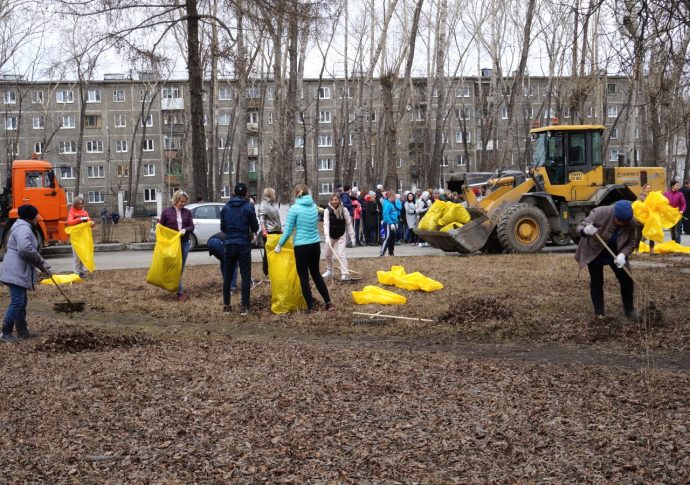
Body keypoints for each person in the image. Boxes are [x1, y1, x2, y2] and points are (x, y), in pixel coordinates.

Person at [574, 200, 639, 320]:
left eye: (625, 222)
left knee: (627, 279)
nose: (621, 224)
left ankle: (629, 310)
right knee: (597, 281)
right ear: (614, 214)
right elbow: (580, 227)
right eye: (619, 221)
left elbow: (632, 242)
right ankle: (599, 313)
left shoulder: (632, 222)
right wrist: (585, 230)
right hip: (594, 249)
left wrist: (623, 255)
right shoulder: (600, 212)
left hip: (615, 251)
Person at [274, 184, 334, 312]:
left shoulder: (294, 208)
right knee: (316, 274)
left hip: (301, 246)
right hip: (315, 245)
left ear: (296, 194)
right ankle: (328, 302)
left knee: (304, 277)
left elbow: (288, 230)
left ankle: (310, 306)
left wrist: (279, 245)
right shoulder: (313, 206)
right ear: (308, 193)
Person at [0, 205, 51, 342]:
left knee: (21, 302)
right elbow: (25, 249)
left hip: (17, 270)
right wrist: (42, 264)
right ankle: (5, 332)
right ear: (32, 217)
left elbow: (26, 251)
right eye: (36, 215)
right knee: (17, 302)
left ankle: (22, 331)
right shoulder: (23, 228)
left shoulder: (22, 226)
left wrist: (41, 266)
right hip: (15, 270)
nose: (37, 218)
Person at [220, 182, 259, 316]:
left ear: (234, 193)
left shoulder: (225, 208)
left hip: (229, 244)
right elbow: (255, 227)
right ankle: (244, 307)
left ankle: (226, 306)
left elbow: (223, 228)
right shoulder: (249, 207)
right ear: (246, 193)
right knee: (245, 276)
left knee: (228, 276)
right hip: (243, 245)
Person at [158, 190, 194, 301]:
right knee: (173, 266)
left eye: (184, 201)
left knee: (180, 267)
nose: (183, 203)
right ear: (175, 200)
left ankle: (178, 290)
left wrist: (185, 230)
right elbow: (161, 227)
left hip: (183, 243)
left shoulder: (187, 212)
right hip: (171, 244)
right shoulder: (166, 212)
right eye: (181, 201)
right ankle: (176, 289)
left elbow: (191, 226)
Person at [322, 193, 356, 281]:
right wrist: (326, 237)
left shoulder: (344, 210)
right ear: (330, 201)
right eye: (332, 200)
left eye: (336, 200)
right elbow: (326, 224)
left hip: (341, 234)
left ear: (339, 200)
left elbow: (348, 223)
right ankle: (329, 270)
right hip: (331, 235)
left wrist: (352, 236)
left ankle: (344, 273)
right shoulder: (327, 211)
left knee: (341, 254)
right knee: (327, 255)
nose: (334, 201)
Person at [66, 196, 95, 278]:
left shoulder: (84, 212)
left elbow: (89, 222)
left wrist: (92, 223)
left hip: (84, 237)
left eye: (82, 204)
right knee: (76, 256)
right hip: (76, 238)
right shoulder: (72, 212)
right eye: (79, 204)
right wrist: (80, 219)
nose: (81, 205)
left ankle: (81, 272)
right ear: (75, 204)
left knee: (83, 254)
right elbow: (70, 222)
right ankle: (76, 273)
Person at [258, 187, 282, 277]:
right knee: (268, 252)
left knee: (276, 252)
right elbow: (261, 219)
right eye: (274, 194)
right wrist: (264, 230)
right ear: (271, 194)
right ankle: (267, 272)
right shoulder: (263, 205)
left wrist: (280, 229)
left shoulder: (272, 205)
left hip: (276, 232)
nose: (275, 195)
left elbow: (276, 219)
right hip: (269, 233)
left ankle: (274, 270)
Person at [637, 184, 655, 255]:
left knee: (651, 234)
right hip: (643, 219)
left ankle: (652, 250)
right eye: (647, 188)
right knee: (640, 234)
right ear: (643, 189)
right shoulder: (641, 197)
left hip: (650, 218)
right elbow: (637, 206)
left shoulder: (652, 196)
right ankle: (637, 249)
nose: (649, 189)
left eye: (650, 188)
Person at [379, 192, 398, 257]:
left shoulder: (391, 204)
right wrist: (391, 223)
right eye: (394, 198)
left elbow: (393, 214)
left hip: (392, 223)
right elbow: (385, 215)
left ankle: (391, 252)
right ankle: (382, 252)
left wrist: (395, 222)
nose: (395, 199)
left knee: (392, 238)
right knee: (387, 237)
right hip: (388, 223)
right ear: (390, 197)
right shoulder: (387, 204)